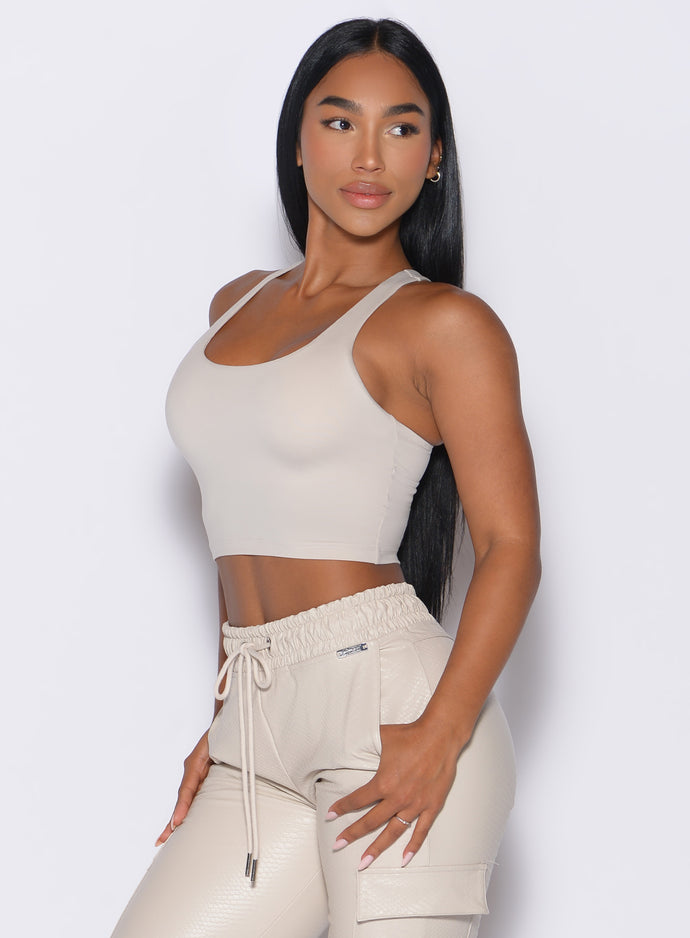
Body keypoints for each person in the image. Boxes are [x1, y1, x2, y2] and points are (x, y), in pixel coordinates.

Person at [110, 17, 541, 938]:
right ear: (298, 140)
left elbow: (511, 547)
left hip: (390, 712)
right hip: (255, 721)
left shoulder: (443, 325)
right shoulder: (235, 304)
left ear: (434, 158)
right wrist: (225, 714)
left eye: (403, 127)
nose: (369, 155)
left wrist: (443, 734)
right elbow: (243, 518)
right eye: (341, 121)